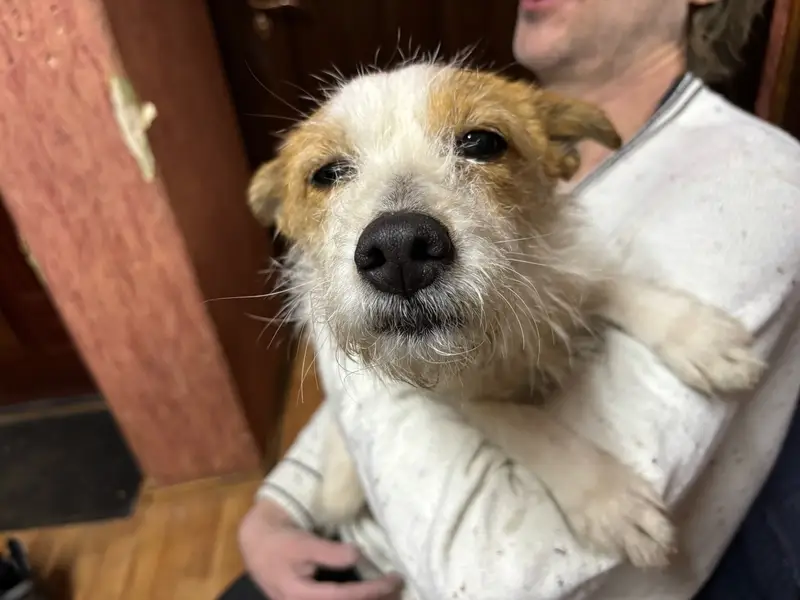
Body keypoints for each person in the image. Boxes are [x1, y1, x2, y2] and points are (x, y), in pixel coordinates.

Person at [221, 0, 800, 598]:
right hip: (320, 538)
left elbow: (496, 579)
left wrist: (324, 309)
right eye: (328, 173)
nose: (394, 248)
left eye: (478, 143)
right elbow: (393, 367)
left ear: (558, 152)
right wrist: (276, 509)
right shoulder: (536, 154)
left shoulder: (758, 179)